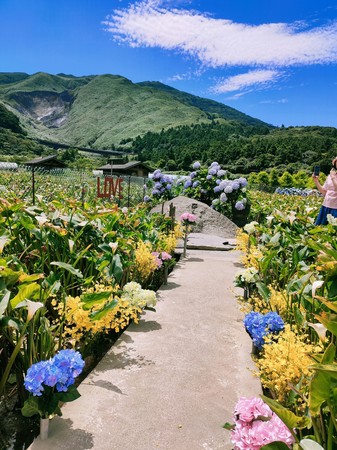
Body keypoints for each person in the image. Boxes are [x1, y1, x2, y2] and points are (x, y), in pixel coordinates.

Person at [313, 157, 337, 225]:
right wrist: (316, 181)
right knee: (320, 229)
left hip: (335, 208)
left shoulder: (332, 176)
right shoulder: (330, 176)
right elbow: (324, 191)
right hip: (326, 206)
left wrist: (333, 177)